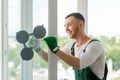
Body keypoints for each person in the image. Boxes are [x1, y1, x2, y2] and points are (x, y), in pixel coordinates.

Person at [29, 12, 107, 80]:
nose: (66, 29)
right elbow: (51, 59)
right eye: (65, 26)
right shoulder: (72, 46)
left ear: (80, 25)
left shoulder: (95, 45)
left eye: (69, 25)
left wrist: (56, 49)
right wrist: (37, 49)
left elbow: (79, 63)